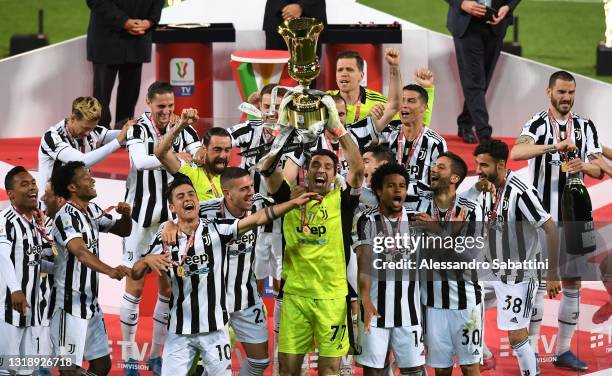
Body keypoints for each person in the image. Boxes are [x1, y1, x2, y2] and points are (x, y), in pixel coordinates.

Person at [131, 179, 319, 375]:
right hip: (178, 332)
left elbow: (258, 218)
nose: (188, 198)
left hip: (215, 332)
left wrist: (293, 204)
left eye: (191, 194)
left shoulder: (217, 229)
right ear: (172, 207)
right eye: (181, 196)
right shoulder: (164, 238)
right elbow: (135, 273)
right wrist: (146, 261)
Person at [262, 94, 364, 375]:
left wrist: (337, 127)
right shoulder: (288, 196)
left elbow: (357, 168)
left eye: (328, 167)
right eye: (315, 166)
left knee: (330, 370)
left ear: (334, 175)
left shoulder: (343, 200)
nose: (321, 170)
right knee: (288, 370)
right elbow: (266, 168)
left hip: (332, 298)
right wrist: (283, 131)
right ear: (305, 173)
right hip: (294, 296)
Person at [510, 70, 604, 371]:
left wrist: (584, 166)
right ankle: (534, 352)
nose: (566, 98)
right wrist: (554, 147)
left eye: (571, 92)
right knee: (538, 284)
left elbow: (599, 168)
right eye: (561, 92)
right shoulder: (537, 123)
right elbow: (517, 151)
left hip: (576, 217)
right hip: (542, 217)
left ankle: (563, 350)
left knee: (573, 283)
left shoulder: (586, 127)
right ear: (549, 93)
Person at [121, 81, 201, 375]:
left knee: (168, 288)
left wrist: (187, 152)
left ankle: (155, 355)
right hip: (140, 221)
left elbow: (200, 156)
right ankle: (129, 357)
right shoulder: (137, 129)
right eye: (161, 106)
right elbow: (140, 162)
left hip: (172, 222)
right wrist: (176, 158)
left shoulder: (185, 128)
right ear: (149, 103)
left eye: (170, 106)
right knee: (135, 282)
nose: (167, 111)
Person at [466, 140, 561, 376]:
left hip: (518, 275)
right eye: (477, 164)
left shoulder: (521, 192)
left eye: (483, 165)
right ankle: (481, 352)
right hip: (491, 268)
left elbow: (550, 227)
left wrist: (552, 273)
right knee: (466, 301)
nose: (478, 170)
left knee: (516, 336)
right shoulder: (488, 187)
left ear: (500, 164)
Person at [49, 161, 132, 376]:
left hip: (91, 305)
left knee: (102, 366)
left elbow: (123, 230)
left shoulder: (91, 210)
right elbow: (82, 253)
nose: (92, 179)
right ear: (72, 187)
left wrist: (126, 215)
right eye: (86, 177)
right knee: (70, 370)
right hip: (68, 305)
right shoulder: (65, 217)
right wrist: (111, 271)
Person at [412, 152, 484, 375]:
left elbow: (470, 257)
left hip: (466, 303)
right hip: (432, 304)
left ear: (454, 178)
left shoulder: (470, 210)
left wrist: (437, 231)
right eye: (433, 165)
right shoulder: (419, 206)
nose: (433, 169)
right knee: (441, 370)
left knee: (470, 367)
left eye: (440, 167)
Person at [354, 163, 426, 375]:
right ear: (378, 190)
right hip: (374, 309)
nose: (397, 190)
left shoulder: (417, 220)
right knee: (373, 370)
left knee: (414, 370)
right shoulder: (367, 219)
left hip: (409, 312)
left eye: (402, 186)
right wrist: (365, 298)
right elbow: (364, 262)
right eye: (391, 186)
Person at [445, 0, 521, 144]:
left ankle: (465, 123)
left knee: (483, 81)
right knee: (475, 82)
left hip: (496, 21)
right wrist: (461, 3)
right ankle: (484, 134)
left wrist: (508, 7)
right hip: (467, 22)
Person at [86, 0, 164, 128]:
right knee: (101, 96)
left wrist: (150, 21)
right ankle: (100, 133)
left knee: (130, 94)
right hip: (106, 38)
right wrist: (124, 21)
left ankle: (125, 132)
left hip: (138, 38)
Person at [38, 96, 132, 199]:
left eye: (91, 128)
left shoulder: (93, 131)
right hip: (52, 205)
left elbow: (114, 135)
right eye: (85, 128)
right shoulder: (52, 137)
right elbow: (82, 161)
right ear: (73, 118)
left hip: (76, 202)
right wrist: (118, 141)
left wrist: (134, 131)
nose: (88, 133)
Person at [0, 167, 46, 376]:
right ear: (10, 193)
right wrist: (16, 289)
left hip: (29, 310)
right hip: (7, 311)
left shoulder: (33, 222)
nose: (32, 188)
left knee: (26, 371)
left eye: (33, 183)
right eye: (24, 184)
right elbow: (2, 256)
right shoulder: (6, 220)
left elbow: (33, 260)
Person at [377, 84, 447, 208]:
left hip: (418, 209)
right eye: (402, 100)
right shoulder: (386, 134)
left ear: (424, 107)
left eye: (411, 101)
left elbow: (440, 186)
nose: (404, 105)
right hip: (385, 206)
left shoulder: (435, 143)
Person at [329, 50, 436, 126]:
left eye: (349, 70)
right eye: (340, 70)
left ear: (361, 76)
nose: (344, 74)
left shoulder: (378, 102)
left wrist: (427, 89)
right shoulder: (325, 100)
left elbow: (417, 124)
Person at [263, 0, 327, 51]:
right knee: (276, 63)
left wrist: (302, 5)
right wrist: (284, 7)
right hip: (277, 18)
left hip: (311, 16)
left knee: (307, 65)